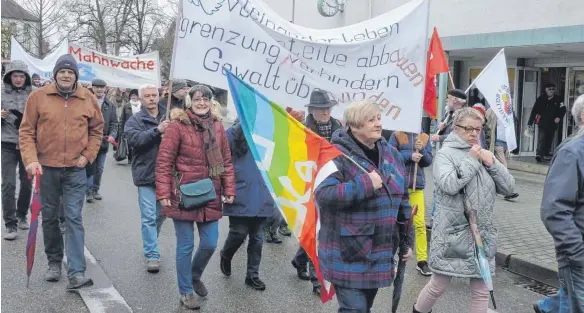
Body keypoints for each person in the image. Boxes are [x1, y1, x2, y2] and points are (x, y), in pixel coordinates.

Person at [413, 107, 515, 313]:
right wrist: (471, 160)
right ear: (455, 127)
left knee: (481, 290)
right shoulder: (445, 155)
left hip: (480, 235)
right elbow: (449, 184)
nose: (474, 133)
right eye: (468, 129)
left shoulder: (483, 153)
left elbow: (510, 188)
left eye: (478, 129)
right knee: (438, 285)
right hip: (453, 235)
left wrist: (492, 162)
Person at [314, 100, 412, 312]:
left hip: (380, 252)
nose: (378, 124)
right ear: (354, 126)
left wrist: (407, 240)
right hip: (347, 253)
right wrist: (366, 184)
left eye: (378, 118)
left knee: (363, 308)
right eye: (371, 120)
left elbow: (403, 199)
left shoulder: (392, 154)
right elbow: (323, 195)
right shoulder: (334, 155)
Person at [19, 54, 104, 289]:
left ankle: (76, 272)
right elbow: (26, 132)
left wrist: (87, 156)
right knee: (50, 218)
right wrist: (31, 160)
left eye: (71, 72)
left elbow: (97, 130)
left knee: (74, 218)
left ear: (76, 75)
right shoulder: (38, 97)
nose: (66, 75)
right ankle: (54, 262)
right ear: (55, 74)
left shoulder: (87, 98)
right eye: (62, 71)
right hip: (46, 169)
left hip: (75, 170)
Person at [155, 85, 235, 309]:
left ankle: (194, 275)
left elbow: (226, 161)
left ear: (211, 102)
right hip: (183, 194)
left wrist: (229, 189)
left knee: (209, 244)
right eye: (197, 99)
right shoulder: (177, 126)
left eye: (205, 99)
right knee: (185, 245)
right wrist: (163, 193)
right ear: (189, 101)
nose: (202, 103)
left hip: (211, 192)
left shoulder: (218, 126)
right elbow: (164, 162)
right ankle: (186, 291)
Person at [292, 89, 343, 296]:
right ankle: (316, 279)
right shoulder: (303, 129)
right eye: (321, 109)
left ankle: (300, 259)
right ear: (312, 110)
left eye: (327, 108)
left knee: (323, 229)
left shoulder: (339, 126)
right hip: (311, 184)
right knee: (317, 230)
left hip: (333, 182)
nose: (325, 112)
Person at [539, 94, 584, 313]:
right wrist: (577, 251)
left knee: (571, 298)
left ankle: (548, 307)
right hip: (578, 253)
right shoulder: (572, 152)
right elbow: (554, 210)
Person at [218, 119, 273, 291]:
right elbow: (222, 155)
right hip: (240, 189)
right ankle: (226, 254)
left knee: (257, 238)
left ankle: (252, 276)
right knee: (239, 232)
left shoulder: (270, 132)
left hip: (263, 191)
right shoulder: (234, 133)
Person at [124, 84, 169, 273]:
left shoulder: (170, 117)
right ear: (141, 99)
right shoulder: (134, 120)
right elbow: (136, 141)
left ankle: (151, 242)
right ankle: (152, 254)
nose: (151, 98)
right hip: (145, 175)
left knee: (161, 215)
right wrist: (157, 131)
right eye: (147, 96)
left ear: (159, 96)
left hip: (167, 175)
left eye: (154, 95)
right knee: (149, 217)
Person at [389, 129, 433, 276]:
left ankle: (422, 261)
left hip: (416, 187)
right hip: (398, 185)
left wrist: (423, 152)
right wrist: (409, 155)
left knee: (419, 223)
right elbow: (389, 157)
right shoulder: (397, 135)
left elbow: (428, 161)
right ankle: (391, 259)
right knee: (394, 223)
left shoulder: (424, 137)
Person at [1, 60, 34, 240]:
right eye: (15, 75)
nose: (19, 79)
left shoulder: (34, 94)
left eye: (22, 76)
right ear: (9, 76)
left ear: (26, 77)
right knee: (8, 184)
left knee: (27, 182)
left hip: (28, 144)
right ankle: (10, 224)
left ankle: (22, 215)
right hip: (6, 143)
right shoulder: (1, 94)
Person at [86, 78, 118, 202]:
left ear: (105, 89)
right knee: (90, 167)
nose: (99, 89)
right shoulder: (86, 102)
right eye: (97, 87)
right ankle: (88, 192)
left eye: (102, 87)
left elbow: (115, 123)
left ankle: (95, 190)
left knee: (99, 168)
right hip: (89, 142)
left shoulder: (110, 105)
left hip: (104, 142)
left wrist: (113, 135)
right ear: (92, 88)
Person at [528, 83, 566, 162]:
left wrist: (559, 117)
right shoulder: (541, 99)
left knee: (549, 139)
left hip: (552, 124)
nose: (552, 91)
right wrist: (530, 123)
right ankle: (539, 154)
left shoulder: (558, 99)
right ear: (546, 90)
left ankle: (545, 154)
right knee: (541, 138)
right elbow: (534, 111)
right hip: (542, 123)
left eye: (553, 89)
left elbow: (563, 109)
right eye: (550, 89)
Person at [118, 89, 140, 164]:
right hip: (129, 128)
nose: (134, 97)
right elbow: (122, 119)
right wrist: (121, 131)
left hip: (140, 128)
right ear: (130, 96)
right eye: (132, 95)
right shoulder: (126, 106)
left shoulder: (142, 106)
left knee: (138, 143)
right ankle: (130, 158)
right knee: (130, 144)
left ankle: (136, 157)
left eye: (135, 95)